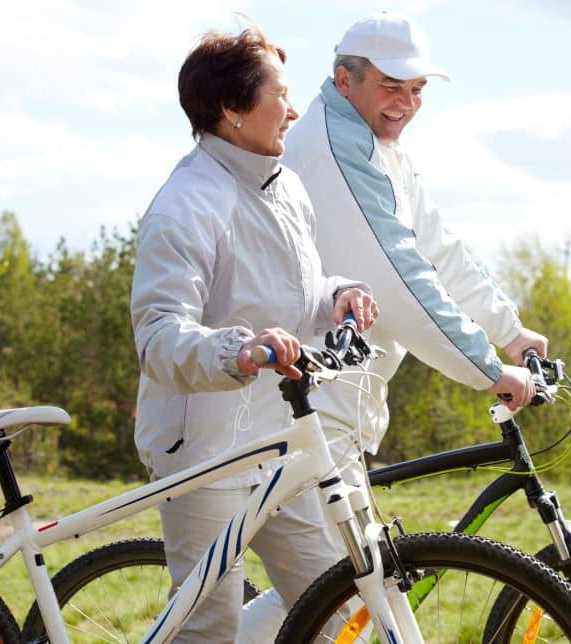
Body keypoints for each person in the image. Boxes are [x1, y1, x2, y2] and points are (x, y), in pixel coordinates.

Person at [237, 12, 548, 640]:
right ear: (344, 79)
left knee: (335, 598)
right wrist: (487, 367)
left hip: (334, 405)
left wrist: (509, 330)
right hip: (300, 405)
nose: (406, 103)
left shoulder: (377, 147)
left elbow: (437, 246)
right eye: (392, 86)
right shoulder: (333, 150)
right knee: (354, 603)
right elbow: (399, 273)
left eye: (418, 90)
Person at [130, 25, 378, 642]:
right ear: (233, 110)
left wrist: (338, 295)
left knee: (341, 614)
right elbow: (158, 336)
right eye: (281, 96)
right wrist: (237, 349)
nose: (294, 111)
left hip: (280, 444)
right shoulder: (186, 203)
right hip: (205, 451)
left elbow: (299, 293)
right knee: (209, 628)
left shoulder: (285, 185)